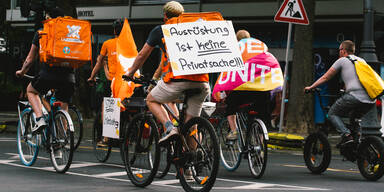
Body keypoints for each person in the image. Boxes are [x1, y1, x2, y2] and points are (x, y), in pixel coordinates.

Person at [125, 1, 210, 144]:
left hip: (178, 81)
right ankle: (192, 161)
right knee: (191, 127)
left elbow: (142, 55)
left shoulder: (161, 30)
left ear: (165, 15)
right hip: (202, 82)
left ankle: (169, 128)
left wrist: (130, 73)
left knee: (151, 99)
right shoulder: (195, 28)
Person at [15, 7, 74, 135]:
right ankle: (62, 138)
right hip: (69, 77)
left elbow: (30, 59)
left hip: (49, 75)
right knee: (63, 104)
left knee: (31, 91)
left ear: (48, 18)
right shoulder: (71, 34)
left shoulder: (42, 32)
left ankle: (40, 119)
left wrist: (22, 72)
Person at [304, 40, 376, 145]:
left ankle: (346, 135)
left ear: (343, 50)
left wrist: (311, 87)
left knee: (332, 113)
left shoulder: (342, 60)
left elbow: (326, 77)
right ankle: (358, 141)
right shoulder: (361, 61)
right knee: (354, 118)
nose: (339, 52)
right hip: (370, 99)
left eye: (339, 50)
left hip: (355, 96)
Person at [222, 30, 272, 140]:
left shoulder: (238, 48)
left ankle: (234, 130)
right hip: (262, 88)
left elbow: (230, 71)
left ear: (237, 40)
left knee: (230, 104)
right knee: (262, 113)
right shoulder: (261, 46)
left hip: (245, 89)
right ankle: (261, 143)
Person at [88, 19, 124, 91]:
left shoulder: (107, 43)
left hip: (111, 80)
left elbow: (99, 62)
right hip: (126, 80)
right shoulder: (129, 44)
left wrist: (92, 77)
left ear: (114, 31)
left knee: (106, 101)